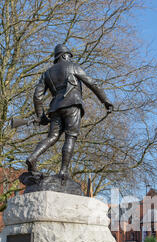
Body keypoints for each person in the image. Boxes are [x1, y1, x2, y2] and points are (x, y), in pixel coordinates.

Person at [26, 44, 113, 178]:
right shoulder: (73, 66)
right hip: (72, 105)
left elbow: (37, 96)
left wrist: (41, 115)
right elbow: (92, 83)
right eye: (69, 55)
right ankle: (63, 171)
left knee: (52, 137)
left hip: (55, 108)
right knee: (71, 136)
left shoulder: (47, 73)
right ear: (64, 55)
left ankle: (33, 156)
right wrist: (105, 100)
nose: (70, 58)